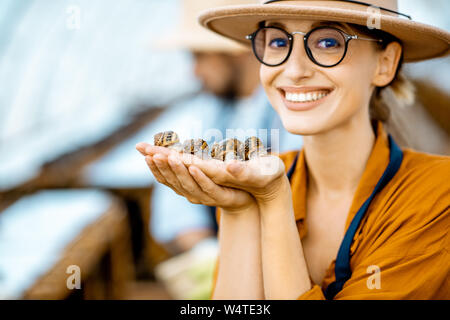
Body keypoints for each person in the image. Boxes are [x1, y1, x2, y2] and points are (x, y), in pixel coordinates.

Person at [137, 0, 450, 300]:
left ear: (385, 63)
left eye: (328, 42)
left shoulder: (437, 192)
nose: (294, 69)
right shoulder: (254, 178)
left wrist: (273, 202)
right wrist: (239, 210)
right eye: (277, 43)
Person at [149, 0, 301, 256]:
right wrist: (205, 253)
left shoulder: (291, 113)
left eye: (199, 56)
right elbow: (176, 214)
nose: (194, 72)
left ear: (236, 50)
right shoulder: (210, 111)